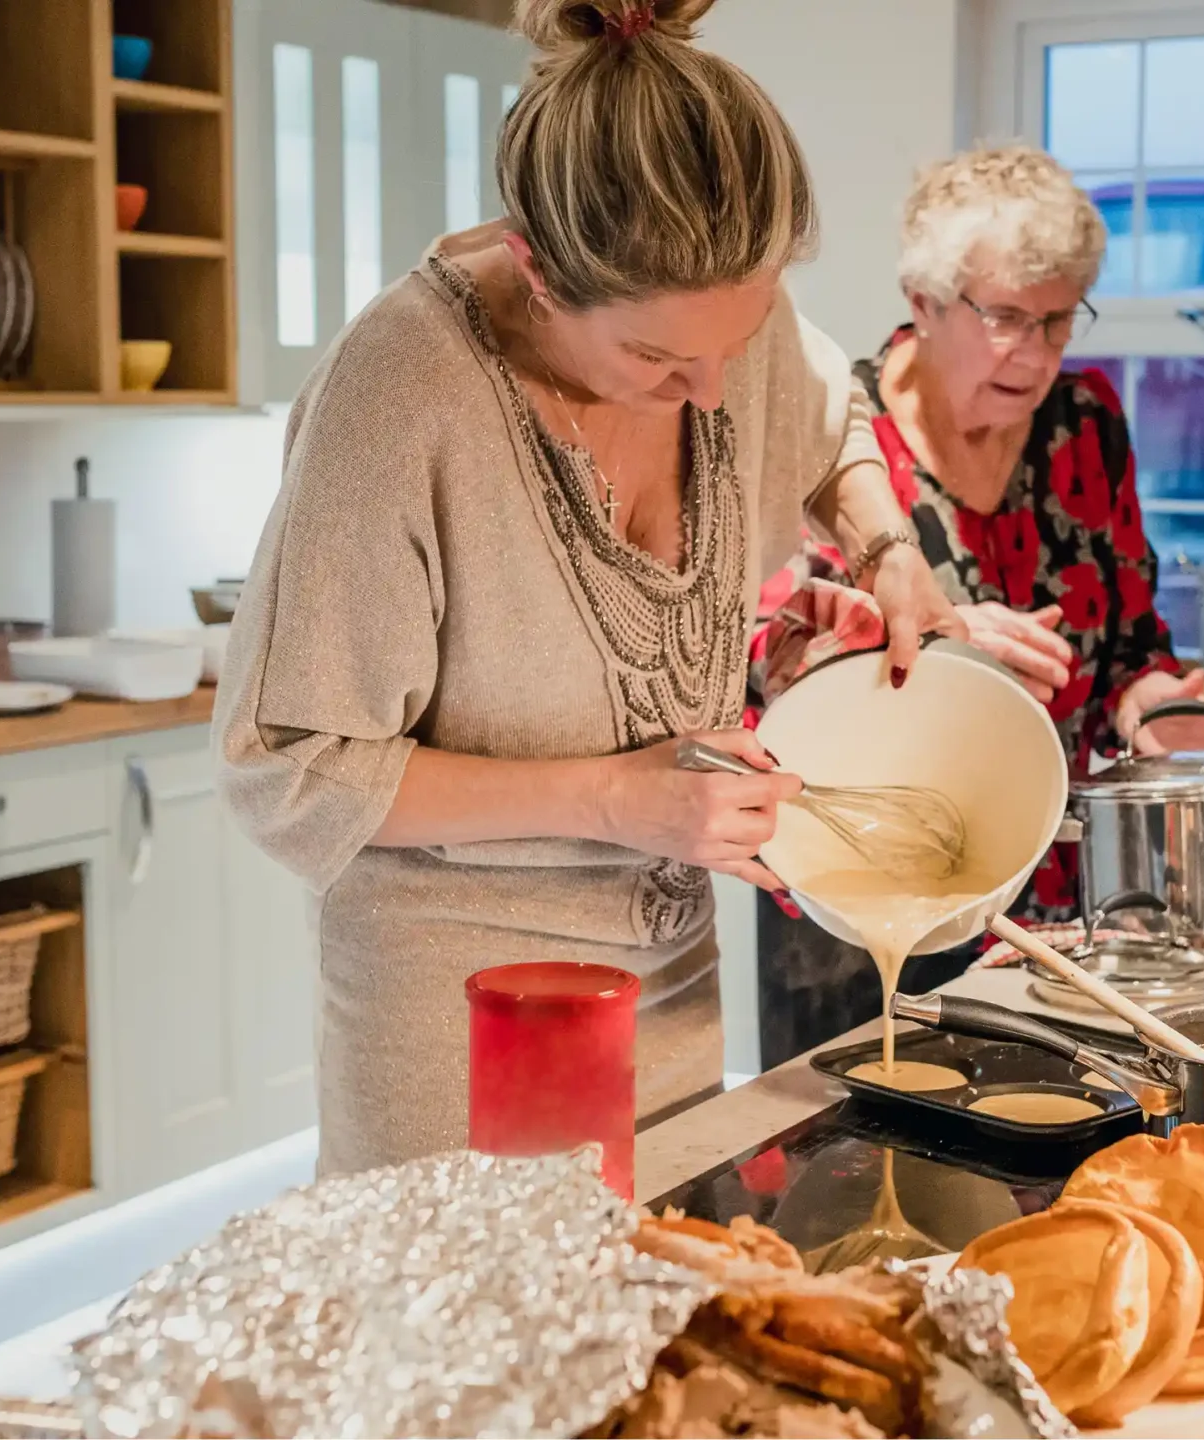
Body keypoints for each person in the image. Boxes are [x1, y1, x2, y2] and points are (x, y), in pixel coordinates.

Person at [216, 0, 962, 1176]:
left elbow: (835, 426)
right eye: (659, 362)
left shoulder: (719, 323)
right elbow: (290, 770)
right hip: (461, 1026)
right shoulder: (404, 394)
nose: (713, 392)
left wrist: (888, 551)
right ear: (537, 272)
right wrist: (619, 801)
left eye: (742, 338)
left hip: (668, 998)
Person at [756, 144, 1204, 928]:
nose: (1040, 353)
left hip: (1051, 894)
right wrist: (943, 651)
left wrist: (1150, 705)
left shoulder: (1084, 422)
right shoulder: (839, 440)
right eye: (1007, 318)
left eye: (1059, 319)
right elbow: (772, 665)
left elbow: (1129, 640)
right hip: (865, 889)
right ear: (925, 301)